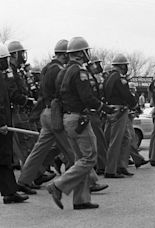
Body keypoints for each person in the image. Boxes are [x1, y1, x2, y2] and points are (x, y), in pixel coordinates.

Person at [46, 37, 115, 210]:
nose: (87, 54)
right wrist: (104, 107)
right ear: (80, 52)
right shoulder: (79, 71)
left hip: (68, 118)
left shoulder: (63, 71)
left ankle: (81, 199)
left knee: (80, 159)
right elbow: (87, 97)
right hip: (79, 118)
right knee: (89, 158)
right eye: (86, 51)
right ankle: (58, 185)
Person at [17, 40, 75, 193]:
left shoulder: (48, 68)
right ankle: (89, 180)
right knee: (72, 149)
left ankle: (25, 180)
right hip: (55, 113)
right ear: (65, 55)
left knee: (39, 150)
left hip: (47, 112)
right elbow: (63, 93)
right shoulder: (58, 70)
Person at [0, 43, 29, 204]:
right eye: (4, 59)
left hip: (4, 123)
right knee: (4, 158)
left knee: (5, 159)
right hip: (2, 125)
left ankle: (9, 191)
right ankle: (9, 192)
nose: (7, 61)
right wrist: (2, 123)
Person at [103, 54, 137, 178]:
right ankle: (111, 169)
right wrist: (134, 104)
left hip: (110, 109)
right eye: (126, 65)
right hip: (120, 110)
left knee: (125, 138)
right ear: (122, 65)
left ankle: (121, 165)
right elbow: (126, 95)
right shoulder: (119, 79)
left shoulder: (108, 78)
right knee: (116, 140)